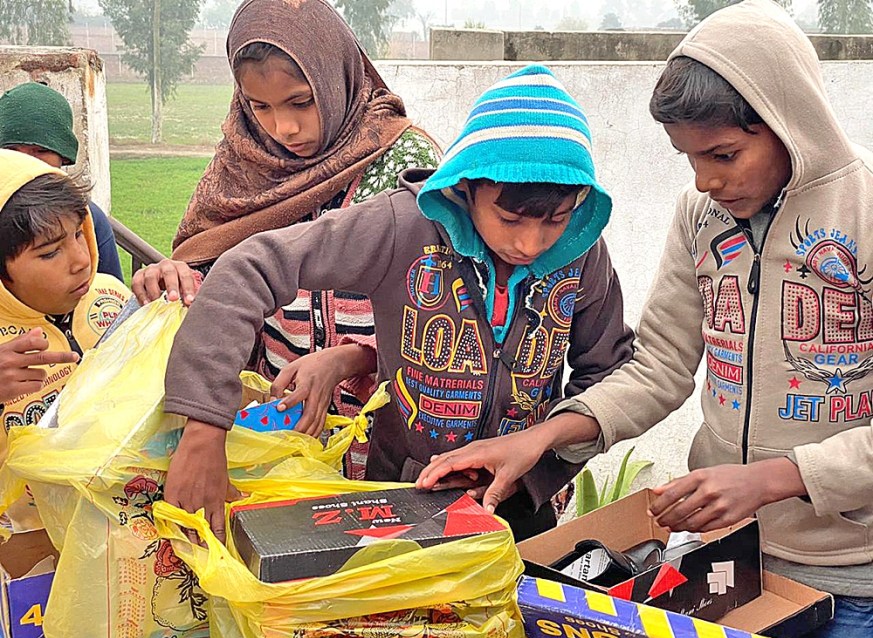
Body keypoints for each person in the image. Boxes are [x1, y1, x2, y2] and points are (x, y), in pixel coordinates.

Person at [416, 2, 873, 638]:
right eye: (688, 158)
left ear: (787, 123)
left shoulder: (864, 210)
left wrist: (778, 476)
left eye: (723, 154)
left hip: (851, 577)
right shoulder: (701, 216)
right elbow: (660, 364)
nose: (705, 180)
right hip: (725, 558)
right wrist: (541, 439)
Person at [145, 64, 634, 543]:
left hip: (518, 511)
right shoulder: (402, 228)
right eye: (510, 220)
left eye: (555, 221)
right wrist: (204, 428)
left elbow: (606, 374)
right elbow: (250, 268)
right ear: (465, 188)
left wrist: (536, 469)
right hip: (401, 504)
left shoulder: (583, 256)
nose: (530, 244)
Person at [138, 0, 440, 480]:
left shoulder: (404, 162)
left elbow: (440, 309)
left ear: (335, 80)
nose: (284, 128)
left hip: (381, 427)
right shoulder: (244, 164)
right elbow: (217, 270)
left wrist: (351, 358)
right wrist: (180, 277)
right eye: (260, 107)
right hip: (276, 422)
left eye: (301, 102)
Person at [0, 149, 130, 531]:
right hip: (27, 541)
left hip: (120, 522)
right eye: (50, 252)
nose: (81, 260)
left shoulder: (112, 297)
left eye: (78, 233)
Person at [0, 81, 124, 282]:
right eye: (11, 151)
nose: (26, 161)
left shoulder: (88, 218)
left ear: (63, 157)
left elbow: (107, 295)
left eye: (40, 151)